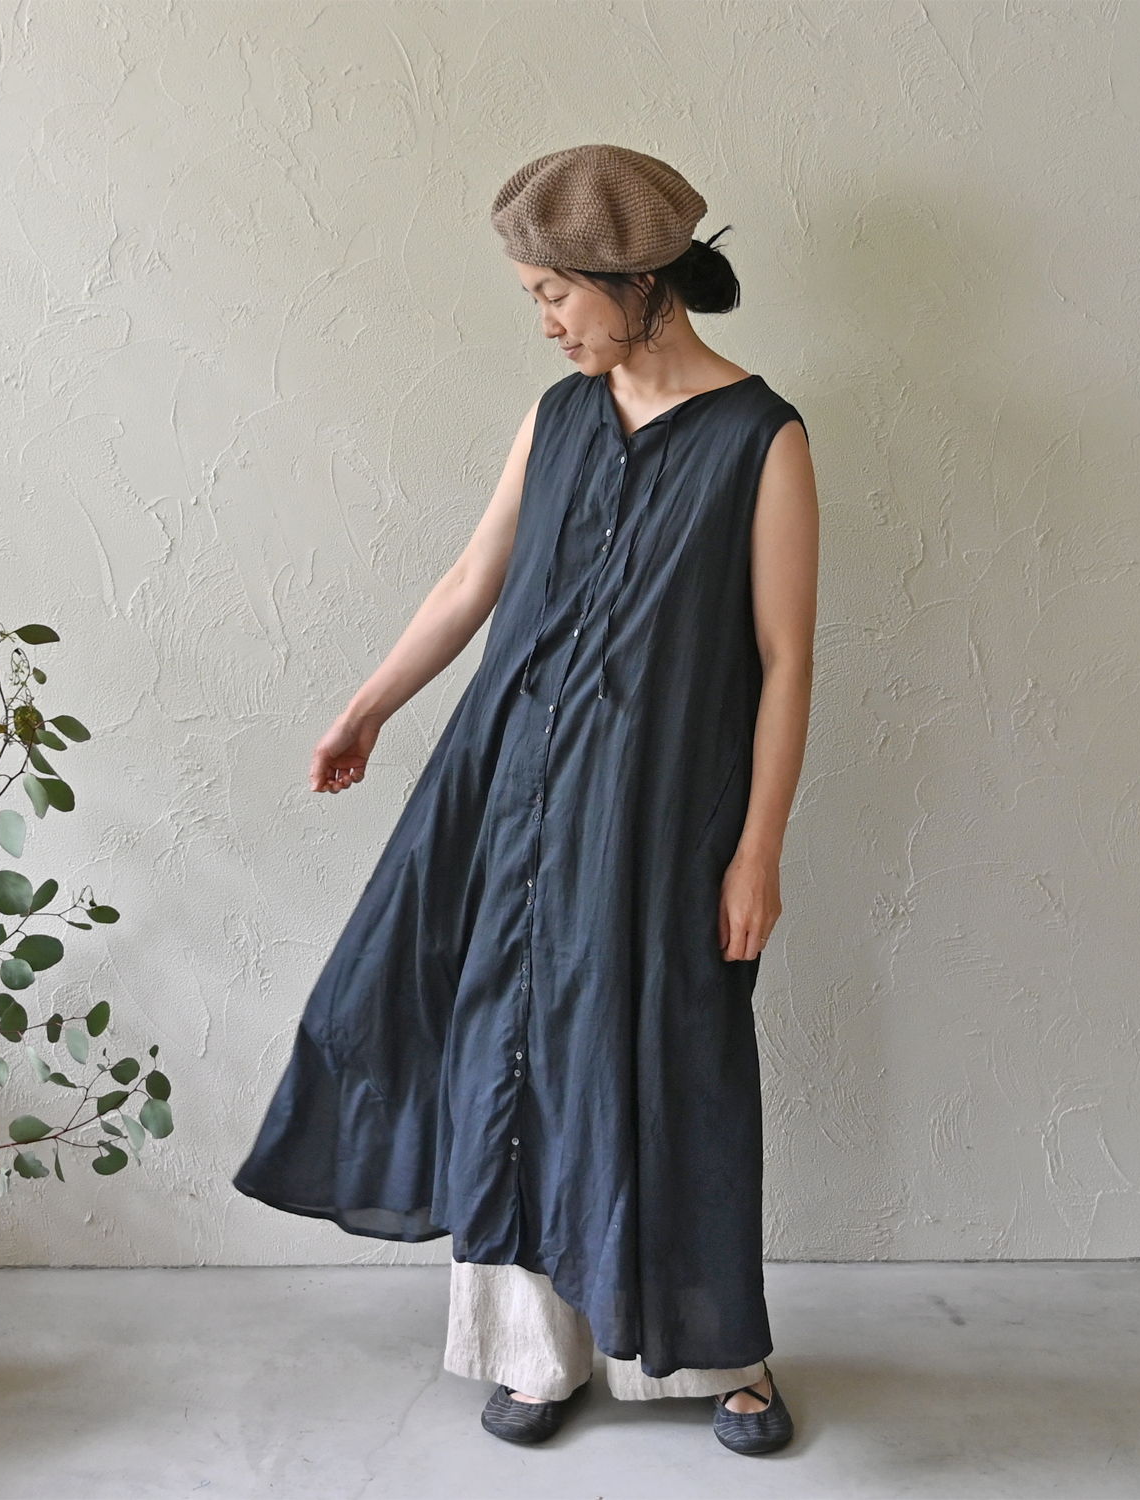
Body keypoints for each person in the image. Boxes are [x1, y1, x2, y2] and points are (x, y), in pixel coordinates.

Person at [233, 144, 819, 1457]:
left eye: (556, 293)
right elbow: (469, 584)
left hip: (664, 814)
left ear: (638, 279)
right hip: (512, 795)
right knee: (510, 1047)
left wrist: (758, 851)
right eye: (535, 297)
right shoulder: (555, 420)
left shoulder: (760, 439)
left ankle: (722, 1355)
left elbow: (786, 661)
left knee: (673, 1057)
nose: (546, 320)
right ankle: (531, 1351)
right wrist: (367, 709)